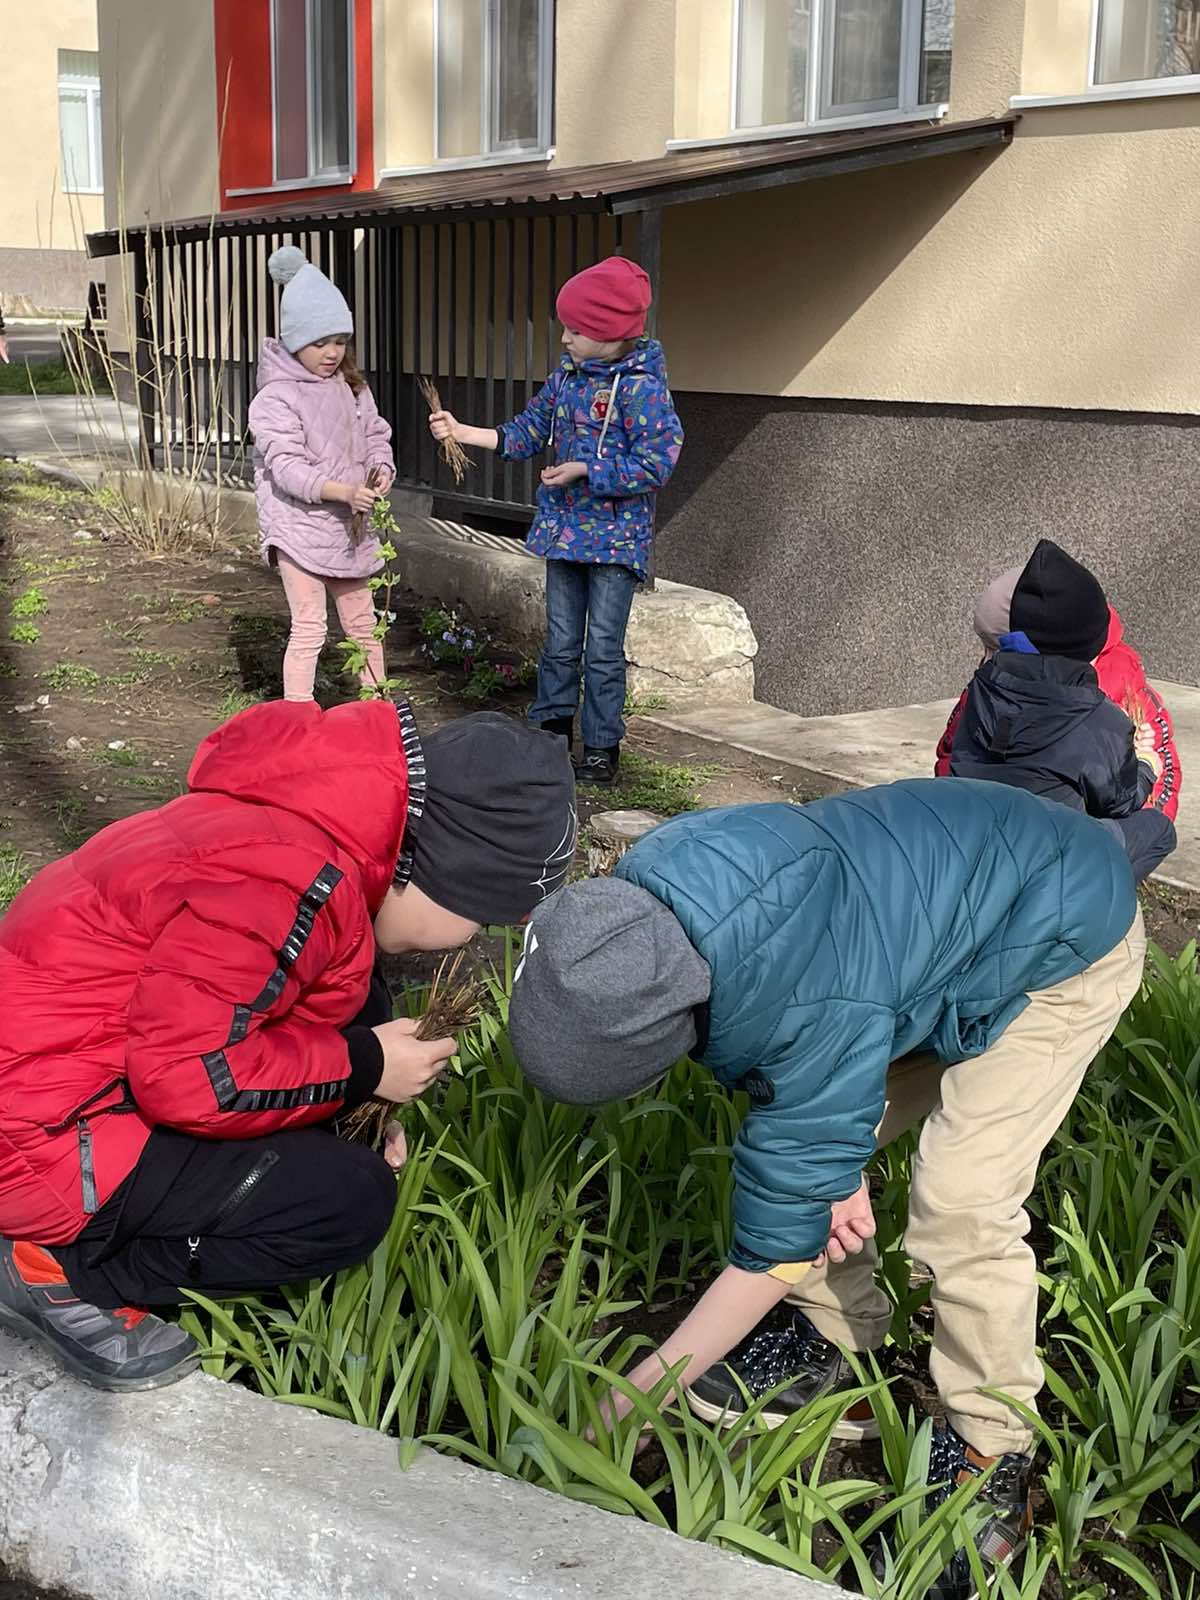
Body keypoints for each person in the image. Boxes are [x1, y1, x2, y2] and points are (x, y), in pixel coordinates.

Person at [508, 779, 1144, 1597]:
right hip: (937, 927)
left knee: (961, 1201)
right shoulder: (655, 899)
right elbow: (813, 1102)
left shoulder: (803, 1003)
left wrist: (629, 1400)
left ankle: (994, 1449)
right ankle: (839, 1336)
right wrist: (830, 1165)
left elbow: (779, 1232)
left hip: (1065, 935)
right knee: (812, 1158)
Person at [0, 699, 576, 1392]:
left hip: (60, 1080)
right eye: (482, 919)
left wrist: (357, 1100)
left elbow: (255, 1012)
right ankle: (55, 1268)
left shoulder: (295, 826)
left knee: (357, 1020)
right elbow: (189, 1078)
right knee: (347, 1201)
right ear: (451, 872)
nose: (470, 938)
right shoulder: (286, 881)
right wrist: (366, 1067)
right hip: (41, 1135)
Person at [429, 256, 684, 786]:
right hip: (565, 536)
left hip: (616, 542)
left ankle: (602, 746)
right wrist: (464, 432)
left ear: (609, 333)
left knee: (603, 649)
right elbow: (525, 431)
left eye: (575, 329)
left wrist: (586, 470)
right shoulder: (565, 379)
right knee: (561, 642)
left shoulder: (642, 388)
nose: (564, 337)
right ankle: (551, 735)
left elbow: (657, 463)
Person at [947, 543, 1176, 881]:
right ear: (1091, 645)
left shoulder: (982, 688)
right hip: (1052, 862)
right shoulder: (1096, 715)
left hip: (978, 843)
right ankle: (1094, 899)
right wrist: (1144, 765)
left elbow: (952, 762)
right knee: (1160, 830)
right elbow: (1120, 800)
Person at [249, 246, 395, 702]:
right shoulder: (276, 397)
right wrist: (344, 491)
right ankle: (297, 721)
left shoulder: (352, 386)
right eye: (319, 343)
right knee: (310, 626)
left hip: (347, 527)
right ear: (295, 340)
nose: (332, 353)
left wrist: (380, 469)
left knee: (364, 626)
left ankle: (376, 714)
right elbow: (287, 468)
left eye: (340, 341)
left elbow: (375, 434)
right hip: (297, 529)